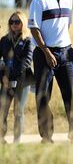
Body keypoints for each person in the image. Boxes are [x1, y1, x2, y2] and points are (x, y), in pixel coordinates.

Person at [28, 0, 73, 143]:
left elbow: (67, 24)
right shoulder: (39, 1)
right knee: (43, 97)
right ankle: (47, 137)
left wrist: (62, 46)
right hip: (44, 54)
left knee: (72, 95)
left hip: (65, 54)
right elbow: (34, 29)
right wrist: (47, 52)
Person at [0, 11, 33, 144]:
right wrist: (3, 75)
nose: (14, 24)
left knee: (18, 111)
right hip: (6, 80)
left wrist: (14, 75)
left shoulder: (28, 40)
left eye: (17, 22)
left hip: (22, 80)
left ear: (23, 23)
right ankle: (1, 138)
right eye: (11, 22)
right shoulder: (4, 40)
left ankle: (17, 140)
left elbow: (27, 60)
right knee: (2, 110)